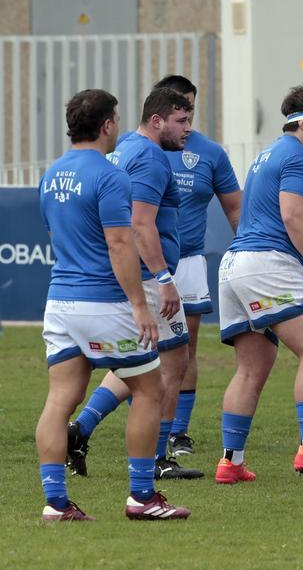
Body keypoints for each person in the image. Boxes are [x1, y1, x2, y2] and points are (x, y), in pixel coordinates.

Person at [67, 76, 242, 463]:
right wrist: (164, 279)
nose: (188, 128)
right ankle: (159, 457)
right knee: (174, 360)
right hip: (151, 275)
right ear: (158, 120)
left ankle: (81, 429)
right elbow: (141, 224)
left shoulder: (128, 146)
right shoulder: (149, 157)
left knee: (142, 360)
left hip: (139, 272)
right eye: (181, 120)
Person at [37, 88, 190, 521]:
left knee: (59, 399)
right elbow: (120, 242)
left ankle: (56, 503)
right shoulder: (110, 175)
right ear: (107, 125)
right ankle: (142, 497)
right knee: (148, 389)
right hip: (103, 301)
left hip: (60, 301)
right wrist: (139, 305)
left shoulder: (51, 174)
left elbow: (55, 238)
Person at [215, 84, 303, 484]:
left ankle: (231, 462)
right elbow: (293, 216)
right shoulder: (299, 158)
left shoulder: (269, 154)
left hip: (235, 266)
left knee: (250, 369)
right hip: (266, 263)